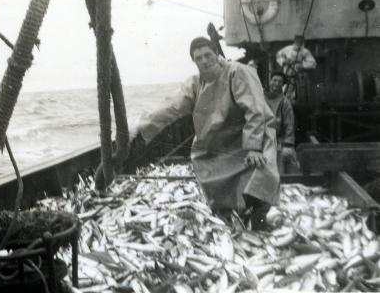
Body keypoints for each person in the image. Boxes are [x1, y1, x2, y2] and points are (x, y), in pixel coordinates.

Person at [132, 37, 279, 230]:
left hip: (253, 132)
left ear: (217, 55)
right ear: (194, 61)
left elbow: (256, 111)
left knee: (263, 171)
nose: (204, 61)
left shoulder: (238, 72)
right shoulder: (194, 84)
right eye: (198, 58)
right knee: (209, 168)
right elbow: (171, 107)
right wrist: (140, 128)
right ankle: (228, 214)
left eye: (208, 55)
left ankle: (260, 218)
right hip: (220, 139)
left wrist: (253, 148)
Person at [264, 72, 300, 174]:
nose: (276, 83)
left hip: (276, 139)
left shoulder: (285, 102)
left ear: (283, 85)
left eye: (280, 82)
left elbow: (289, 124)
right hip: (261, 136)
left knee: (285, 155)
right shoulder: (260, 96)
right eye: (274, 80)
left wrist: (288, 143)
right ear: (270, 81)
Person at [276, 35, 316, 101]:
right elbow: (278, 56)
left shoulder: (305, 52)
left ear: (303, 43)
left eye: (301, 42)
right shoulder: (287, 49)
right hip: (287, 76)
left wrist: (302, 65)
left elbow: (313, 63)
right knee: (285, 94)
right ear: (294, 42)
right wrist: (284, 61)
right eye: (297, 42)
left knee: (299, 96)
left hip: (299, 78)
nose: (299, 44)